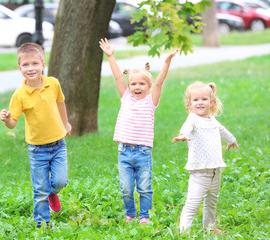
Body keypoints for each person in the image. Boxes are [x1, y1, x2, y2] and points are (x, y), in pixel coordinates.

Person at [99, 38, 178, 224]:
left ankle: (144, 216)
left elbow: (159, 82)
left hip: (143, 152)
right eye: (133, 84)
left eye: (142, 84)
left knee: (144, 187)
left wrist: (166, 62)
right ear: (129, 86)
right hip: (124, 151)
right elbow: (118, 77)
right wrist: (111, 56)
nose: (137, 87)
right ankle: (130, 214)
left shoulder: (151, 102)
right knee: (126, 188)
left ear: (149, 87)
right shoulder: (125, 98)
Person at [0, 42, 72, 229]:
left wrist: (66, 123)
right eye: (25, 65)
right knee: (39, 190)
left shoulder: (53, 83)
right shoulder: (19, 95)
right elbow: (13, 123)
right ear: (19, 68)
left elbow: (60, 103)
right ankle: (42, 225)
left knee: (61, 181)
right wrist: (7, 119)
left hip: (58, 144)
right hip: (37, 149)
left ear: (43, 64)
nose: (30, 68)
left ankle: (52, 192)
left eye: (34, 64)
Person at [172, 81, 239, 235]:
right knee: (192, 204)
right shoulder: (193, 119)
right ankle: (184, 232)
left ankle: (209, 227)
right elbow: (186, 128)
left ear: (211, 102)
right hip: (199, 172)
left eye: (204, 99)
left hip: (216, 170)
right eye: (196, 100)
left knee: (211, 202)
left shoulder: (212, 119)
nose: (200, 103)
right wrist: (183, 135)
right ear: (189, 104)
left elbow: (222, 130)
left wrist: (232, 140)